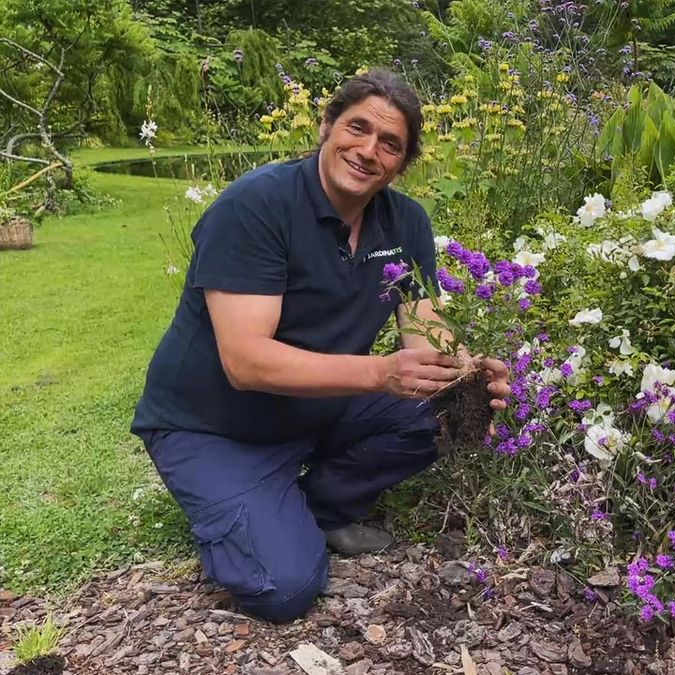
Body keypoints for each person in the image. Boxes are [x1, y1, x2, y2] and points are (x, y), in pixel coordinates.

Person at [130, 68, 510, 623]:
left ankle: (316, 506)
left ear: (402, 163)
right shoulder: (256, 207)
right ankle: (249, 503)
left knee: (436, 413)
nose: (368, 150)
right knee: (282, 588)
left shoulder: (404, 222)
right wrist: (381, 374)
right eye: (357, 128)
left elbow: (428, 331)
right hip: (212, 424)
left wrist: (469, 379)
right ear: (327, 126)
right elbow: (246, 362)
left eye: (390, 144)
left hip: (311, 409)